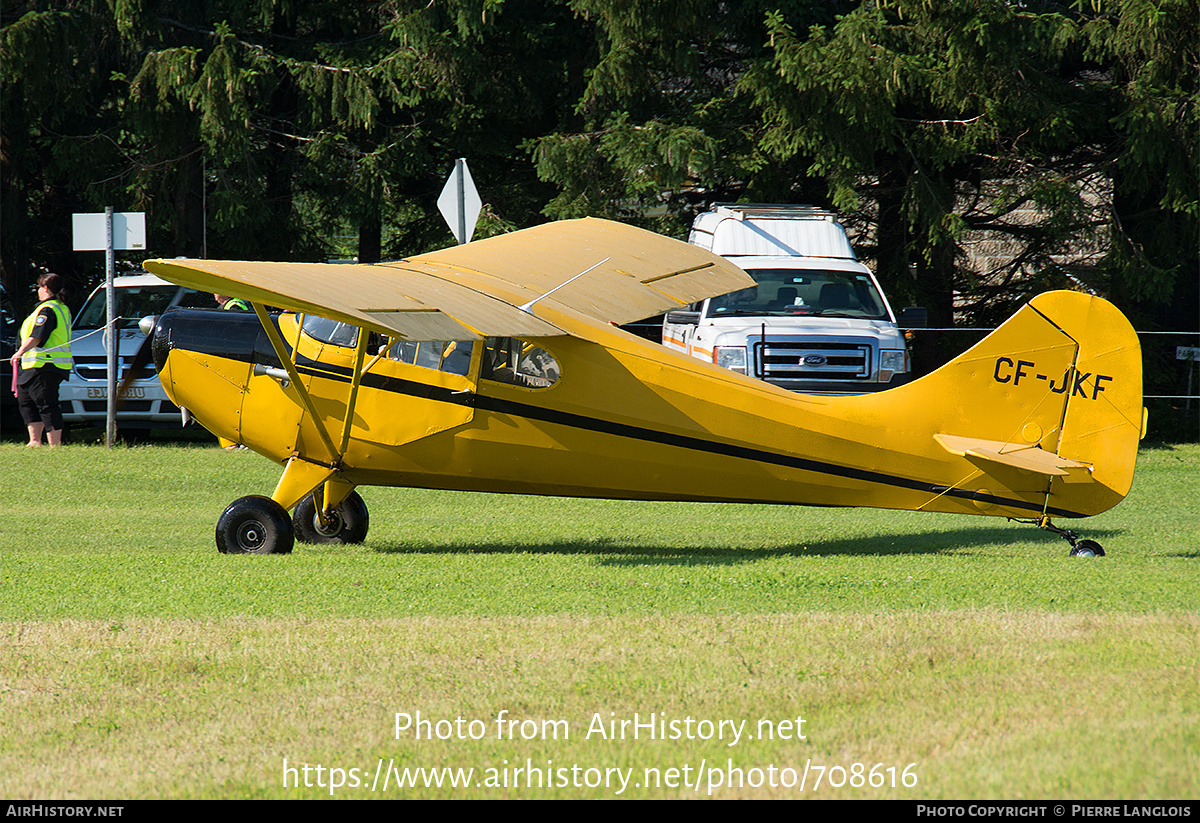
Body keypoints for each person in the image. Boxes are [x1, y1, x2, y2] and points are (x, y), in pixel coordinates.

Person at [11, 273, 72, 447]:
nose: (37, 290)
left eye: (39, 287)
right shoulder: (49, 308)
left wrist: (20, 352)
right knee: (26, 401)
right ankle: (35, 441)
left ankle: (54, 444)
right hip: (33, 364)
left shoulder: (48, 309)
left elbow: (38, 335)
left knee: (46, 403)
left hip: (47, 363)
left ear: (45, 288)